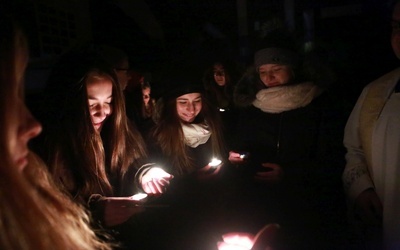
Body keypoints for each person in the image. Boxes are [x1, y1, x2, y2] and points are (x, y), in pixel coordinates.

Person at [36, 46, 172, 247]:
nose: (104, 112)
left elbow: (132, 161)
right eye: (91, 105)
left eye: (108, 101)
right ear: (67, 104)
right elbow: (43, 216)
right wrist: (94, 213)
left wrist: (144, 173)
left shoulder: (117, 129)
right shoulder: (48, 150)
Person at [227, 28, 346, 249]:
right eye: (262, 71)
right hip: (259, 206)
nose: (268, 77)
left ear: (293, 67)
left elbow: (333, 159)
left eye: (276, 69)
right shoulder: (252, 108)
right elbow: (240, 145)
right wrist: (236, 159)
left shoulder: (318, 105)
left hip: (306, 208)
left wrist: (290, 174)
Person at [0, 15, 112, 250]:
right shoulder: (49, 156)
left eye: (109, 101)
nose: (33, 126)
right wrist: (99, 209)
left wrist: (145, 172)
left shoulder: (114, 133)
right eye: (7, 99)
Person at [136, 78, 228, 249]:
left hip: (214, 218)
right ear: (171, 104)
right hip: (177, 226)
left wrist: (229, 162)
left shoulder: (213, 128)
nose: (191, 109)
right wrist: (194, 180)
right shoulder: (157, 138)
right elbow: (158, 192)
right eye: (183, 102)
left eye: (197, 101)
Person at [342, 1, 400, 248]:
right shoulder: (376, 92)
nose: (399, 37)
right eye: (396, 27)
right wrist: (362, 189)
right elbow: (355, 150)